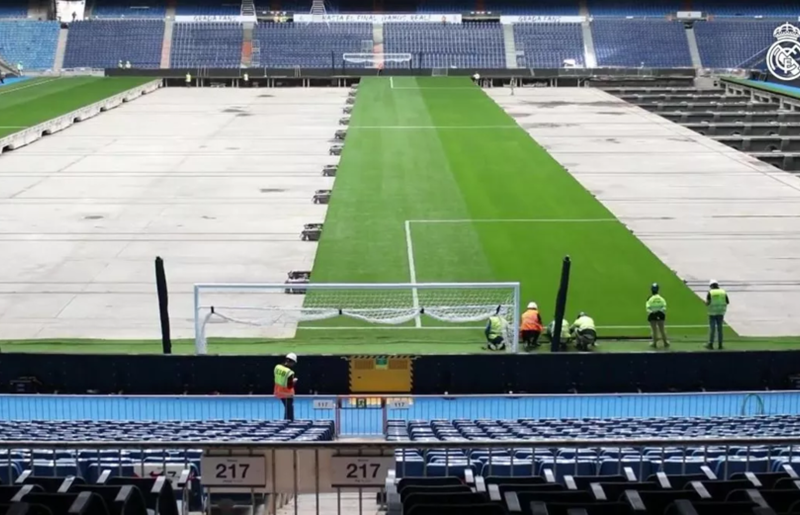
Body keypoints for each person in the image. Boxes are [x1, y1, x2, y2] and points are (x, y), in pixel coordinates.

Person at [706, 280, 729, 350]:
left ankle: (710, 344)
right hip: (721, 312)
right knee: (720, 329)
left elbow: (708, 303)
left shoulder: (710, 292)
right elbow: (727, 302)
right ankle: (720, 345)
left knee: (712, 329)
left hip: (712, 312)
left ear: (711, 286)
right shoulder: (723, 292)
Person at [274, 353, 298, 420]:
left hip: (278, 391)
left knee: (287, 410)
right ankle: (288, 424)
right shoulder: (290, 372)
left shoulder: (277, 367)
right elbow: (290, 386)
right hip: (287, 394)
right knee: (289, 411)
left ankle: (286, 422)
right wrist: (294, 381)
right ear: (292, 362)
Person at [646, 283, 668, 348]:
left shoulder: (650, 299)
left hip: (652, 315)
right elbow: (664, 307)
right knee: (662, 329)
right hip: (660, 314)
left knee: (654, 330)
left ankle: (654, 343)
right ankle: (665, 342)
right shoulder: (661, 298)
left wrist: (653, 312)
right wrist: (659, 311)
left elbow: (648, 308)